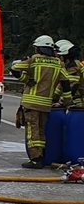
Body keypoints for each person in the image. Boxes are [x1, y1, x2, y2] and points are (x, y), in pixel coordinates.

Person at [11, 35, 72, 169]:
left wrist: (26, 80)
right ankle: (42, 156)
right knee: (41, 131)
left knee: (32, 132)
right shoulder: (58, 63)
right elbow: (66, 82)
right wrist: (67, 101)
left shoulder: (34, 60)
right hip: (45, 104)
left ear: (39, 48)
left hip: (31, 103)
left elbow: (14, 68)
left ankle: (35, 160)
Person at [54, 39, 84, 107]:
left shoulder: (74, 67)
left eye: (59, 56)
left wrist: (61, 103)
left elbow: (72, 86)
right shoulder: (69, 66)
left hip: (77, 103)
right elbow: (61, 85)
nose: (58, 58)